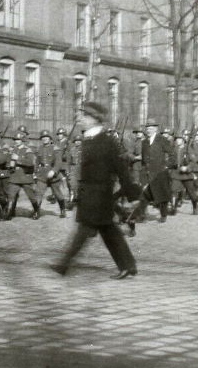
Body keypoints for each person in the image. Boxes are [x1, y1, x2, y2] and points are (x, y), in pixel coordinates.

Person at [50, 102, 137, 280]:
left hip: (99, 194)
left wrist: (132, 195)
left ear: (94, 119)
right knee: (109, 231)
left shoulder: (107, 141)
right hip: (89, 193)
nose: (79, 119)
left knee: (85, 229)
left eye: (84, 116)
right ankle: (128, 265)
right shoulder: (88, 139)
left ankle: (63, 264)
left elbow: (121, 169)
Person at [133, 118, 173, 223]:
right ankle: (141, 216)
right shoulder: (144, 142)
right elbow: (144, 158)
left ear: (156, 129)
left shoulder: (162, 140)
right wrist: (143, 169)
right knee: (144, 195)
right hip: (146, 172)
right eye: (147, 128)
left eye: (151, 128)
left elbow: (172, 153)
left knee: (162, 195)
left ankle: (163, 215)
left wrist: (167, 166)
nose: (149, 130)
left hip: (159, 172)